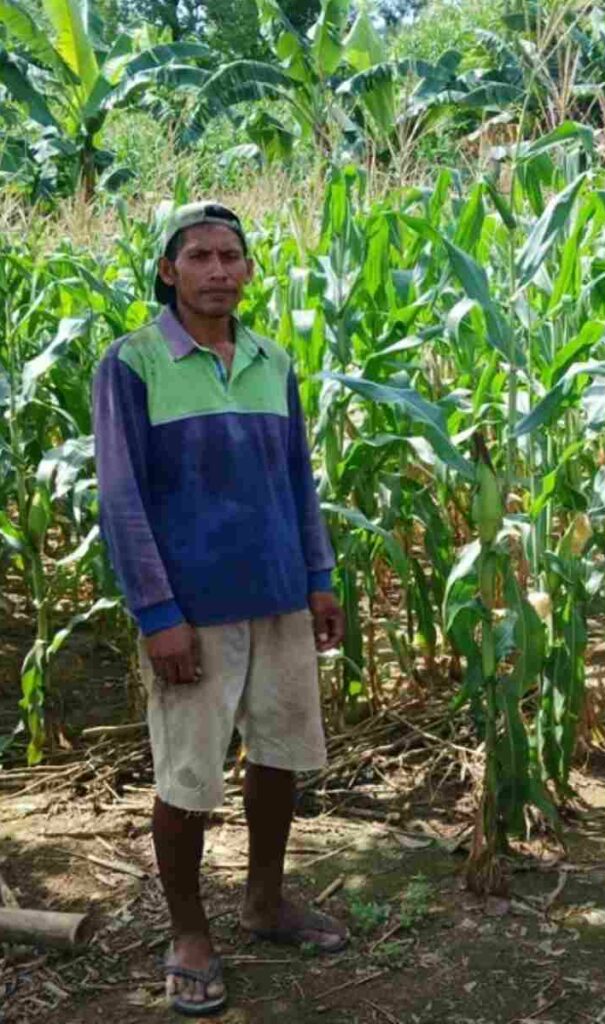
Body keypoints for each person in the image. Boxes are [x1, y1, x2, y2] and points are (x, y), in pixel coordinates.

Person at [93, 201, 347, 1017]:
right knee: (190, 776)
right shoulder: (133, 364)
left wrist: (319, 576)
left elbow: (296, 481)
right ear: (169, 270)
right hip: (192, 612)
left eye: (230, 256)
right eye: (198, 256)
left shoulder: (273, 362)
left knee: (278, 756)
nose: (217, 271)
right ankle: (189, 931)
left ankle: (266, 903)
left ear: (247, 269)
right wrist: (158, 614)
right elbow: (122, 499)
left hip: (277, 596)